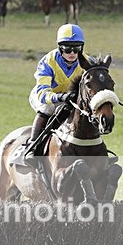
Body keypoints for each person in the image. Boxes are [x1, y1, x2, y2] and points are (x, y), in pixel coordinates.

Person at [26, 23, 89, 156]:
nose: (72, 53)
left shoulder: (87, 62)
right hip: (45, 96)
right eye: (67, 49)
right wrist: (60, 97)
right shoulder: (47, 62)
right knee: (47, 108)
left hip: (70, 98)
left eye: (76, 48)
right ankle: (33, 146)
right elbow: (43, 94)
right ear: (60, 47)